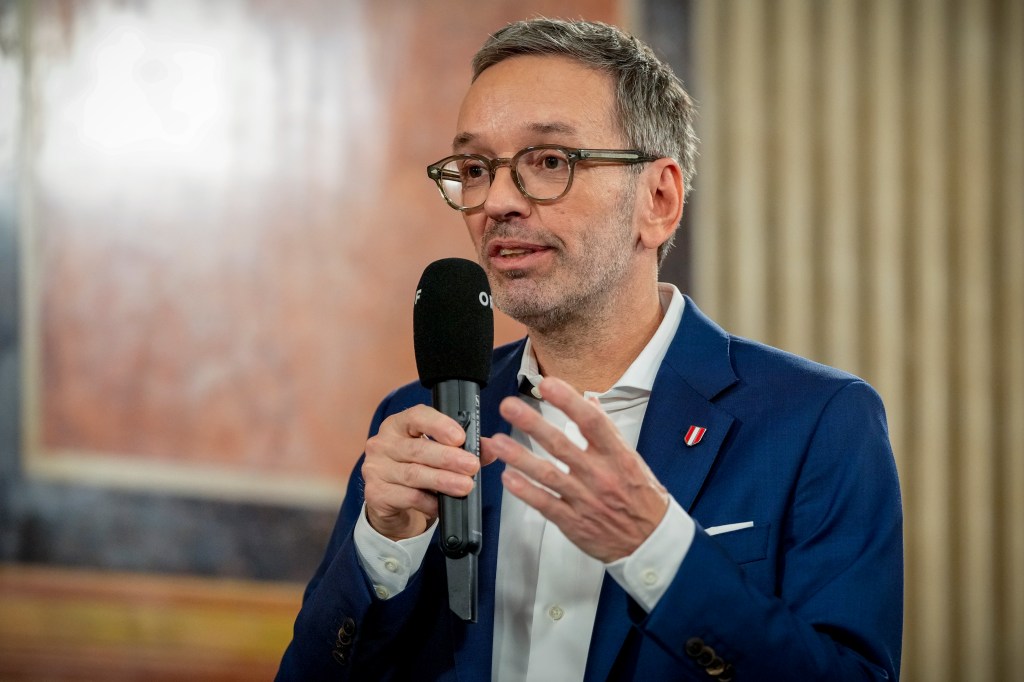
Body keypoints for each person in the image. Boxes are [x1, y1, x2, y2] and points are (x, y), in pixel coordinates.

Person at [276, 17, 903, 682]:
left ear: (658, 199)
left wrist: (656, 548)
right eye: (476, 167)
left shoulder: (817, 422)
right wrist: (382, 550)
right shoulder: (421, 422)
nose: (497, 201)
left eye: (549, 161)